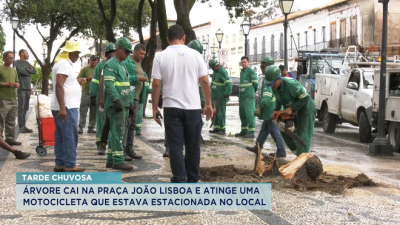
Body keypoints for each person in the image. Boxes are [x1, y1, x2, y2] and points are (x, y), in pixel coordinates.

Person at [151, 25, 212, 183]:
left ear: (167, 39)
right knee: (193, 146)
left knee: (175, 146)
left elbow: (156, 84)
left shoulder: (161, 57)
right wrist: (209, 104)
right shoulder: (196, 55)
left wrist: (154, 107)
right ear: (184, 38)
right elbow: (204, 81)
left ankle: (179, 179)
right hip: (192, 107)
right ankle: (193, 178)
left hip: (171, 107)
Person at [104, 37, 141, 170]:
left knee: (114, 131)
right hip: (116, 105)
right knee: (118, 132)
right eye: (126, 51)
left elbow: (126, 85)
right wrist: (116, 100)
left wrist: (129, 103)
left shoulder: (122, 64)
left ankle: (111, 159)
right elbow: (109, 83)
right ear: (118, 49)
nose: (128, 55)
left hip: (123, 103)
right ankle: (118, 160)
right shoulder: (111, 64)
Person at [265, 65, 316, 156]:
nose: (271, 86)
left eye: (272, 83)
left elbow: (305, 97)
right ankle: (299, 154)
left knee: (303, 134)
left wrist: (292, 108)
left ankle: (303, 160)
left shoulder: (291, 84)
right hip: (295, 110)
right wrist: (276, 110)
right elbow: (278, 99)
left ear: (278, 79)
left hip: (306, 108)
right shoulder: (275, 88)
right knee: (285, 131)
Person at [51, 41, 85, 172]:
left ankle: (60, 163)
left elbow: (64, 83)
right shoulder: (64, 64)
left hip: (62, 105)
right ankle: (70, 164)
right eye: (76, 53)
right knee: (70, 135)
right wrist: (62, 107)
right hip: (68, 106)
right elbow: (59, 85)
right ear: (69, 53)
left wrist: (77, 83)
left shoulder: (60, 64)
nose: (78, 56)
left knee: (60, 135)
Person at [246, 57, 286, 157]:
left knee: (274, 130)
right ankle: (258, 147)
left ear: (269, 67)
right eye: (261, 66)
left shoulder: (269, 79)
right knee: (265, 129)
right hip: (270, 109)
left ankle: (281, 151)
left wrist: (260, 107)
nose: (261, 69)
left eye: (263, 67)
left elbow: (267, 97)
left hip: (270, 110)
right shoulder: (268, 78)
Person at [89, 43, 116, 155]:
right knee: (101, 122)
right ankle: (100, 144)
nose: (114, 54)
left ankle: (113, 145)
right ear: (108, 53)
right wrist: (93, 95)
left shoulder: (118, 65)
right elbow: (96, 80)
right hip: (103, 98)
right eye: (112, 52)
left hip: (114, 98)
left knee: (113, 122)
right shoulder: (101, 65)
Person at [122, 43, 148, 160]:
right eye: (140, 53)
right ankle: (122, 150)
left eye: (144, 54)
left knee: (133, 125)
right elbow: (124, 78)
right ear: (135, 51)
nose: (142, 56)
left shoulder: (139, 64)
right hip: (129, 97)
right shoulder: (127, 62)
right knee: (126, 125)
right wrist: (137, 78)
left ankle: (130, 148)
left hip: (136, 98)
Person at [0, 51, 21, 146]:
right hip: (3, 98)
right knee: (1, 119)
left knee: (12, 119)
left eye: (12, 58)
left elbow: (17, 81)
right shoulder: (1, 69)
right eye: (9, 58)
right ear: (4, 58)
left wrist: (17, 84)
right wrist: (7, 84)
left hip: (13, 98)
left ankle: (10, 138)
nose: (11, 60)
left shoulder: (13, 70)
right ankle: (1, 139)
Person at [235, 56, 258, 138]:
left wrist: (252, 92)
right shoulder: (241, 72)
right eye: (242, 62)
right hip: (242, 97)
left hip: (249, 97)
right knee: (242, 114)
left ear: (248, 63)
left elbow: (255, 84)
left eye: (245, 62)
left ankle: (251, 132)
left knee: (249, 114)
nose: (243, 64)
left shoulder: (251, 71)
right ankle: (244, 130)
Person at [14, 49, 36, 133]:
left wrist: (25, 70)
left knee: (26, 108)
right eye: (27, 53)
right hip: (21, 88)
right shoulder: (17, 62)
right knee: (21, 108)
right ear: (22, 54)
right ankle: (20, 126)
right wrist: (27, 70)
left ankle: (24, 125)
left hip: (28, 88)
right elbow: (22, 71)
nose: (28, 55)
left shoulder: (27, 63)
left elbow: (34, 71)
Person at [208, 59, 232, 135]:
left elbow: (229, 83)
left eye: (214, 67)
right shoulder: (215, 72)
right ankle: (216, 127)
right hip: (215, 96)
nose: (214, 69)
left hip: (221, 96)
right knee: (215, 112)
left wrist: (228, 93)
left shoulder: (223, 72)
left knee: (221, 112)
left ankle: (222, 128)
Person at [77, 55, 99, 134]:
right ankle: (81, 127)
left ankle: (91, 127)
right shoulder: (85, 69)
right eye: (93, 60)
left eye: (96, 60)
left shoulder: (99, 69)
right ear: (90, 61)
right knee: (83, 111)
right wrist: (86, 78)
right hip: (86, 93)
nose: (94, 61)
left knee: (94, 112)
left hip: (96, 94)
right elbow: (78, 79)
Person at [135, 72, 151, 136]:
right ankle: (138, 129)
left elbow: (147, 88)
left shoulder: (144, 74)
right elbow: (147, 89)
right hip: (139, 98)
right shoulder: (144, 73)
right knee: (139, 113)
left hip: (136, 97)